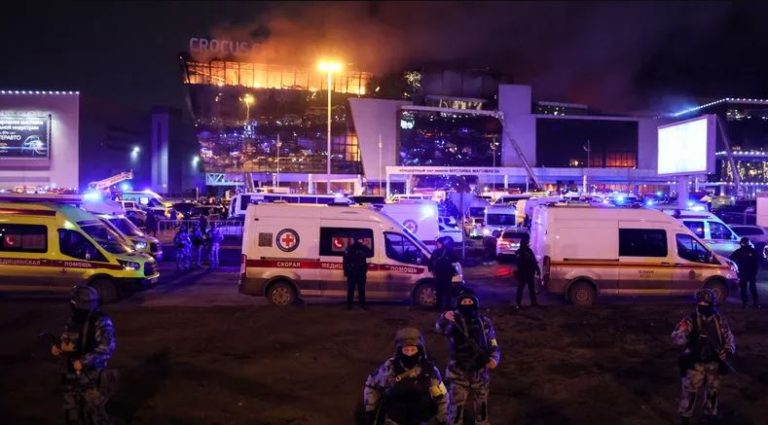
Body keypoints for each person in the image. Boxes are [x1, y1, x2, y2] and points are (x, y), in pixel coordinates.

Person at [50, 285, 117, 425]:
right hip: (71, 374)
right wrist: (59, 347)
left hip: (91, 375)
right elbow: (68, 338)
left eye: (74, 300)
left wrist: (84, 361)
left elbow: (107, 348)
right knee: (72, 411)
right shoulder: (75, 318)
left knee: (94, 413)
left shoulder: (101, 321)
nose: (72, 303)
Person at [672, 289, 735, 425]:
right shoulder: (691, 320)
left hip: (714, 363)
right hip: (695, 363)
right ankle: (685, 418)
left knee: (712, 392)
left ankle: (710, 417)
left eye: (706, 305)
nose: (703, 308)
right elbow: (677, 339)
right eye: (701, 305)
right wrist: (687, 336)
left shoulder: (719, 320)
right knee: (689, 393)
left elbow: (729, 338)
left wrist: (728, 351)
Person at [435, 293, 501, 425]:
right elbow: (439, 328)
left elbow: (492, 341)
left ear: (475, 303)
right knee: (456, 406)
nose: (466, 304)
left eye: (469, 301)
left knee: (481, 404)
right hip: (458, 371)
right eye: (464, 302)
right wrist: (444, 317)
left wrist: (494, 358)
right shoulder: (453, 321)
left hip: (480, 371)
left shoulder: (483, 321)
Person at [363, 328, 449, 425]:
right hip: (394, 420)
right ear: (400, 350)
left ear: (420, 350)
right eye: (406, 350)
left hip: (421, 420)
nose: (409, 353)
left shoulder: (429, 370)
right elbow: (372, 386)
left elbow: (441, 396)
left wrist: (443, 417)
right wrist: (370, 408)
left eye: (413, 350)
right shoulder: (390, 367)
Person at [729, 237, 760, 308]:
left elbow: (731, 257)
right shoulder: (752, 251)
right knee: (751, 288)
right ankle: (755, 304)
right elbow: (757, 261)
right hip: (750, 272)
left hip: (744, 272)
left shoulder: (740, 251)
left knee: (744, 288)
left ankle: (746, 304)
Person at [343, 233, 371, 309]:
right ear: (360, 240)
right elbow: (369, 253)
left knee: (351, 289)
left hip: (351, 272)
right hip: (361, 272)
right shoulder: (363, 248)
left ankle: (349, 306)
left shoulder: (349, 248)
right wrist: (364, 245)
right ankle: (362, 305)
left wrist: (346, 272)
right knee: (361, 289)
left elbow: (345, 261)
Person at [429, 237, 458, 310]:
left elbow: (455, 259)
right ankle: (440, 305)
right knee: (439, 290)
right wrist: (431, 269)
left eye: (439, 243)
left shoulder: (448, 251)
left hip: (446, 274)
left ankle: (446, 306)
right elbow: (431, 261)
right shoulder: (437, 252)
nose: (438, 245)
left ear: (442, 244)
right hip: (440, 274)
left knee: (447, 290)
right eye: (437, 244)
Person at [514, 233, 541, 311]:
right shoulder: (520, 252)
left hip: (529, 272)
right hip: (523, 273)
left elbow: (533, 261)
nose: (528, 243)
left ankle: (533, 302)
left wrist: (537, 269)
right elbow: (519, 263)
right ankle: (518, 304)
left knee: (531, 288)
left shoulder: (528, 251)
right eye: (527, 242)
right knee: (521, 289)